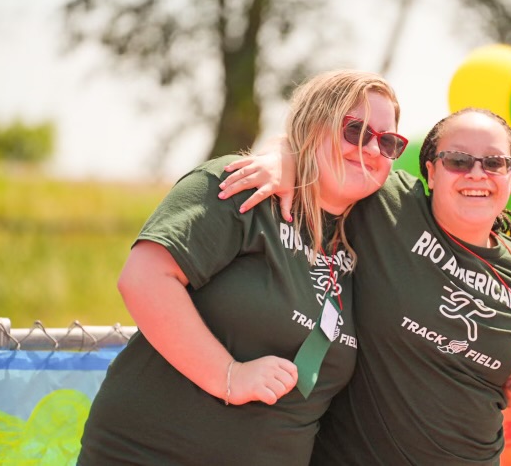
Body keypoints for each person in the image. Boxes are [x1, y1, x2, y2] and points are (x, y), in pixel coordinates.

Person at [77, 69, 409, 465]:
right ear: (314, 124)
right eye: (355, 131)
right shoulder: (243, 187)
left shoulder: (373, 230)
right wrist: (229, 376)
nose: (372, 149)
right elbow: (144, 278)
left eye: (388, 141)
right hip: (147, 453)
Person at [219, 107, 511, 465]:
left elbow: (478, 373)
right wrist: (281, 160)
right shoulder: (388, 206)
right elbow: (314, 149)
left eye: (494, 163)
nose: (476, 174)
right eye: (457, 160)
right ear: (431, 171)